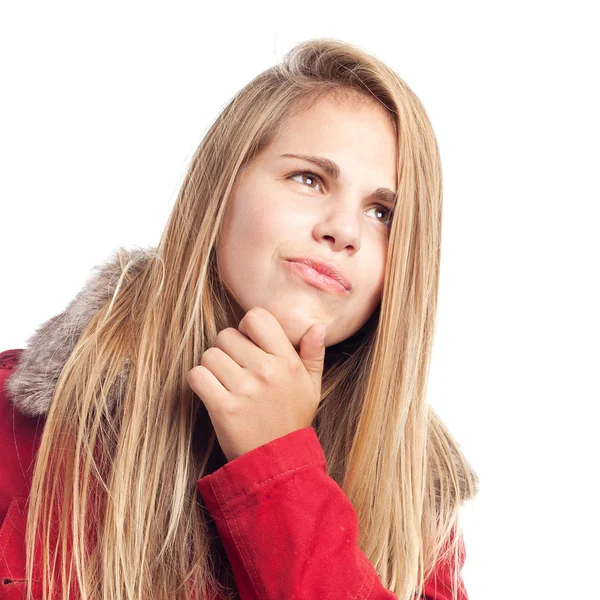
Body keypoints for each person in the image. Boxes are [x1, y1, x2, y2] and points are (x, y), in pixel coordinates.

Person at [0, 37, 479, 600]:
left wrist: (280, 468)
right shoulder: (24, 423)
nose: (343, 231)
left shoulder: (415, 512)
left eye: (382, 213)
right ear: (220, 189)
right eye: (309, 179)